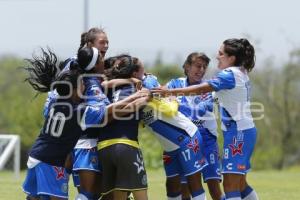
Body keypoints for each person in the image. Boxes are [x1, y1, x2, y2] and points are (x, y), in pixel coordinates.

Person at [152, 38, 259, 200]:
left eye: (221, 54)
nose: (217, 56)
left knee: (230, 185)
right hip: (242, 131)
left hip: (238, 133)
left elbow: (201, 89)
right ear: (187, 67)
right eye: (197, 66)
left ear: (232, 58)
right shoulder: (240, 72)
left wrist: (170, 94)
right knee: (240, 183)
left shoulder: (229, 75)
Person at [103, 55, 209, 200]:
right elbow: (106, 84)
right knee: (172, 187)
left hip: (187, 137)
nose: (146, 72)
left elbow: (165, 107)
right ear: (134, 73)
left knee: (193, 185)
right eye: (143, 69)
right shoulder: (130, 87)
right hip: (170, 146)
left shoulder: (148, 81)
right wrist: (131, 81)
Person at [43, 27, 109, 199]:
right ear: (89, 45)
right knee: (88, 192)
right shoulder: (74, 64)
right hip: (81, 138)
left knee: (80, 191)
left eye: (107, 42)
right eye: (102, 42)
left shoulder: (93, 68)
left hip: (75, 136)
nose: (107, 45)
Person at [166, 52, 224, 200]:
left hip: (206, 139)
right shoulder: (175, 84)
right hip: (183, 139)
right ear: (187, 66)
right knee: (185, 188)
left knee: (214, 188)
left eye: (204, 67)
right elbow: (160, 97)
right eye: (198, 66)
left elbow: (197, 112)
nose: (202, 70)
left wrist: (175, 103)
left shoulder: (209, 88)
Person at [98, 55, 151, 200]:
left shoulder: (106, 87)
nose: (145, 75)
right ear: (134, 73)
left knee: (118, 196)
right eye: (143, 71)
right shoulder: (139, 88)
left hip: (103, 147)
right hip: (126, 145)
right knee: (141, 194)